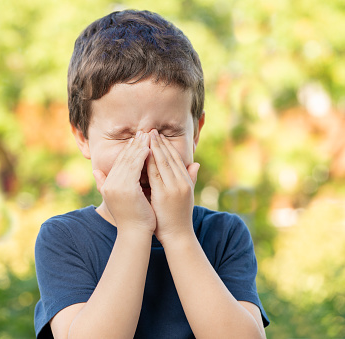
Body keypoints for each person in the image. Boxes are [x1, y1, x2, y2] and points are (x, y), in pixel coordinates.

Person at [34, 9, 269, 339]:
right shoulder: (64, 239)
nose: (145, 153)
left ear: (196, 132)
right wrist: (134, 230)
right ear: (83, 137)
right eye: (123, 135)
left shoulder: (224, 234)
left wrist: (178, 233)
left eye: (169, 131)